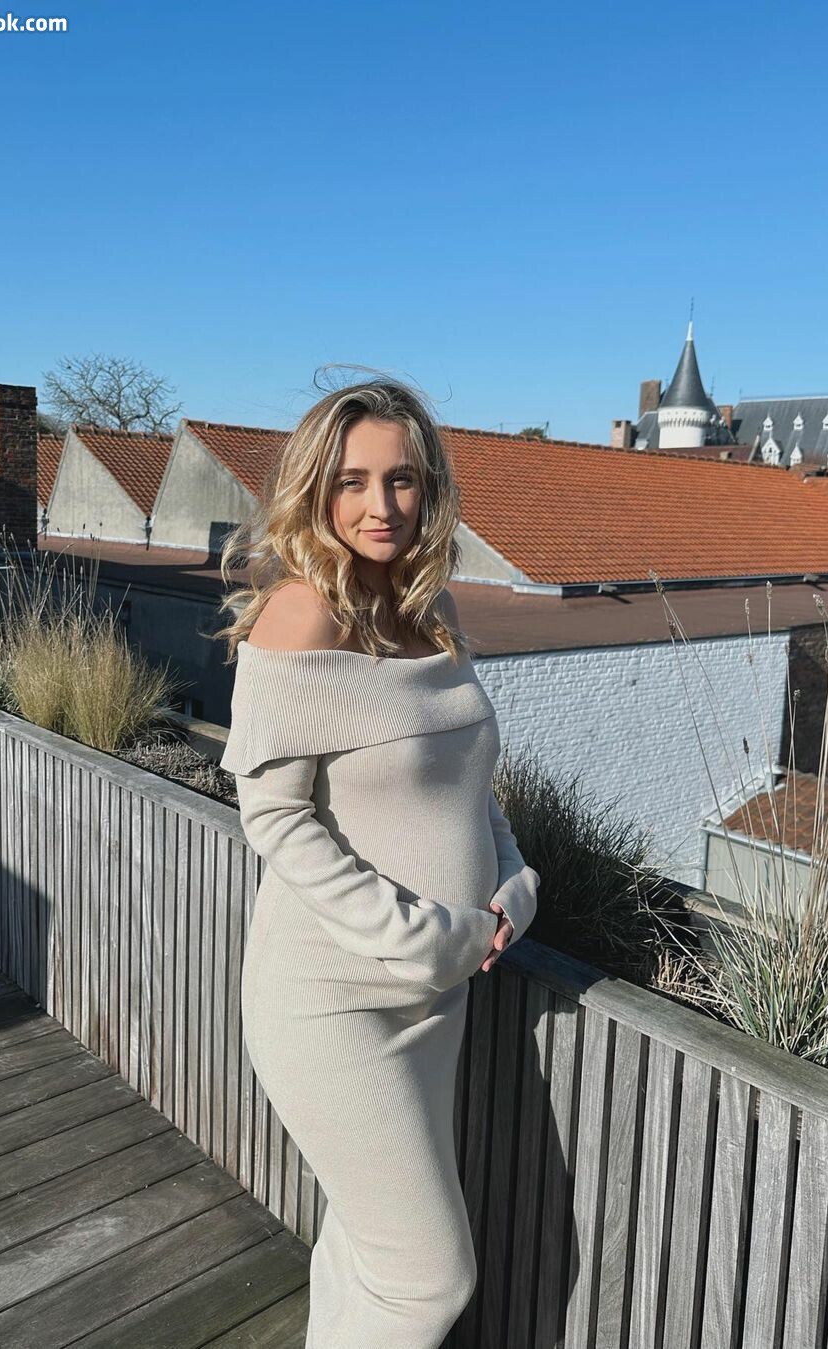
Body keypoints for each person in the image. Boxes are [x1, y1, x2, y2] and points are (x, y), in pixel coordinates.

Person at [214, 375, 541, 1347]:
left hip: (438, 994)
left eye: (401, 479)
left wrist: (515, 884)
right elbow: (276, 819)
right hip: (334, 1000)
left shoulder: (430, 608)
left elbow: (472, 783)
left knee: (365, 1248)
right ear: (316, 489)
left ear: (428, 486)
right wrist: (429, 938)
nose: (381, 504)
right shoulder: (300, 614)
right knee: (429, 1276)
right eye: (353, 480)